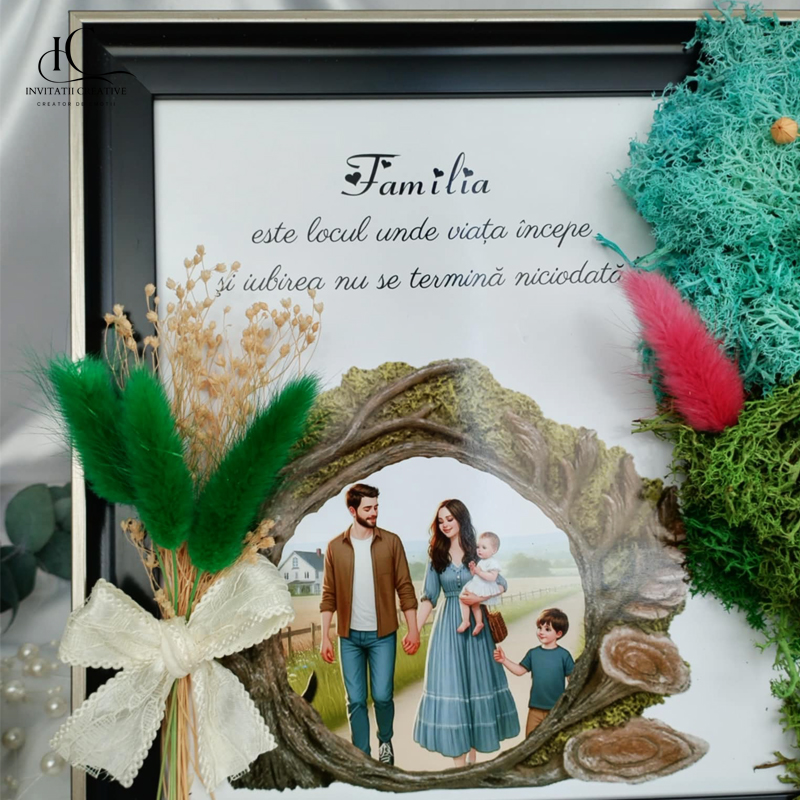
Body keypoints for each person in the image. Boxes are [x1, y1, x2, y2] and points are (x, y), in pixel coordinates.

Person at [413, 500, 520, 767]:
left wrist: (479, 598)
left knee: (476, 685)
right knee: (453, 687)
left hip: (477, 631)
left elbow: (502, 583)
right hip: (448, 629)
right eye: (441, 521)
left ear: (461, 519)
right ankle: (458, 766)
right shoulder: (436, 556)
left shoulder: (478, 551)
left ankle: (473, 758)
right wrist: (414, 631)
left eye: (450, 519)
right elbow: (428, 598)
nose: (445, 524)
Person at [319, 483, 420, 766]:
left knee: (383, 696)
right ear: (353, 511)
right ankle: (361, 755)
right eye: (368, 508)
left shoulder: (391, 542)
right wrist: (325, 636)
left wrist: (413, 629)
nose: (374, 513)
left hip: (383, 635)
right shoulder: (335, 547)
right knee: (355, 700)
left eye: (376, 507)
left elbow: (405, 587)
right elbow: (328, 595)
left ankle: (385, 741)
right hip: (349, 637)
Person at [494, 608, 575, 736]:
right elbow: (520, 671)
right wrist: (504, 660)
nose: (541, 632)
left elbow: (573, 680)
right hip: (535, 709)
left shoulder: (564, 655)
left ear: (558, 634)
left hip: (556, 709)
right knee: (530, 739)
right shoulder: (533, 653)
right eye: (539, 628)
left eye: (547, 629)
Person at [457, 531, 503, 636]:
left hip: (484, 586)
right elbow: (474, 574)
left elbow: (493, 577)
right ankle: (475, 622)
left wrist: (479, 572)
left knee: (466, 600)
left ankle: (469, 621)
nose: (479, 550)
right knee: (473, 604)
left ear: (494, 550)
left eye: (484, 547)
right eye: (478, 547)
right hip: (477, 583)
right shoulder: (481, 561)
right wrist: (473, 569)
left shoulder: (493, 562)